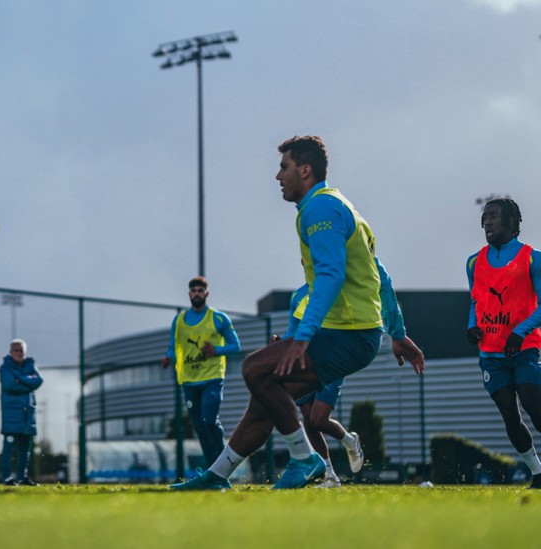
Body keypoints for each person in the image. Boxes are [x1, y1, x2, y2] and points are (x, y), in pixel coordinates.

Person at [172, 135, 424, 491]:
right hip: (356, 334)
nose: (278, 176)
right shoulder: (341, 207)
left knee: (254, 368)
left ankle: (305, 459)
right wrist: (396, 334)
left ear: (305, 170)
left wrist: (301, 338)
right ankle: (217, 476)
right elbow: (380, 276)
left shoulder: (320, 209)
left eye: (284, 167)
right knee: (265, 395)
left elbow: (331, 275)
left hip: (347, 333)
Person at [285, 256, 408, 488]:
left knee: (318, 418)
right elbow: (293, 331)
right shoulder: (298, 296)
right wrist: (280, 341)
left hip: (332, 359)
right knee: (309, 421)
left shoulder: (336, 288)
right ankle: (329, 476)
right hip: (305, 359)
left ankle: (350, 441)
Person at [466, 197, 541, 489]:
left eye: (494, 216)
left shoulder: (532, 258)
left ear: (511, 223)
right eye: (485, 217)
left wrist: (520, 331)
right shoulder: (474, 262)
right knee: (510, 414)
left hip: (524, 349)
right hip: (491, 355)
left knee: (534, 405)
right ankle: (537, 472)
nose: (487, 222)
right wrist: (472, 327)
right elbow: (475, 301)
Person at [161, 276, 240, 466]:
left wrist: (216, 350)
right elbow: (173, 346)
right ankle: (213, 469)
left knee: (209, 420)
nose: (197, 294)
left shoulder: (218, 318)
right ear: (189, 294)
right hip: (189, 381)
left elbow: (235, 346)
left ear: (206, 293)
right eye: (193, 291)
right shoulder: (179, 321)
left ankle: (224, 464)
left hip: (212, 378)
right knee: (200, 427)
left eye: (200, 290)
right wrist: (168, 357)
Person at [0, 338, 43, 486]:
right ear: (11, 352)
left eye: (21, 350)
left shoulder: (31, 365)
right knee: (9, 449)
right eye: (16, 350)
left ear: (25, 352)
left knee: (25, 450)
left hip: (28, 416)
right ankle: (7, 478)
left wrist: (20, 379)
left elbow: (38, 381)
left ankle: (22, 478)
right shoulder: (5, 368)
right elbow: (10, 385)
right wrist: (28, 383)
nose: (19, 353)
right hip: (11, 415)